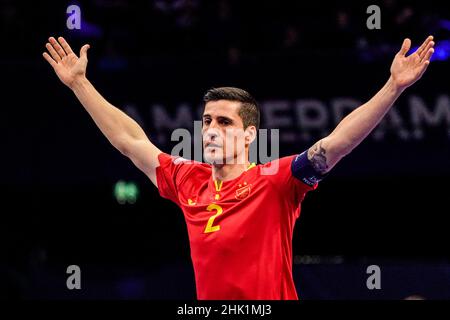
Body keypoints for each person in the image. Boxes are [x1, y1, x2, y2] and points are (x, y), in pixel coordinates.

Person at [42, 35, 435, 299]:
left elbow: (337, 143)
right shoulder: (187, 179)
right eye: (208, 120)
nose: (211, 129)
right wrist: (80, 84)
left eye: (224, 122)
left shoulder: (276, 181)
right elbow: (131, 142)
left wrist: (393, 87)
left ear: (250, 136)